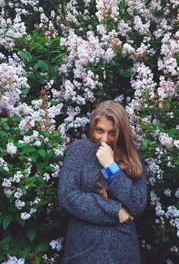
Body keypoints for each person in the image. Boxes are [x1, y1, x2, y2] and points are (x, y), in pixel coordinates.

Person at [58, 100, 148, 264]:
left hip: (122, 251)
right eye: (99, 130)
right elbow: (67, 196)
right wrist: (114, 210)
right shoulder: (79, 150)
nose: (104, 139)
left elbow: (137, 204)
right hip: (83, 251)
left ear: (121, 133)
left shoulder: (132, 157)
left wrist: (111, 167)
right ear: (93, 126)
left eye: (111, 133)